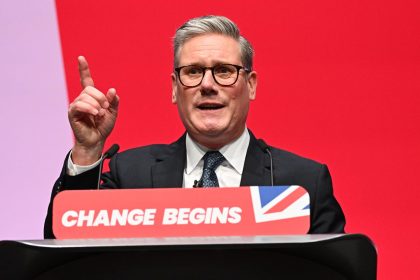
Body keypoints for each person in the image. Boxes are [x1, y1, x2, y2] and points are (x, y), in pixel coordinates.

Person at [44, 15, 345, 238]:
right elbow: (66, 250)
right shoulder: (130, 174)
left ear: (250, 85)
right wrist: (87, 151)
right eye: (193, 72)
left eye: (224, 71)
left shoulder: (303, 183)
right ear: (175, 89)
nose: (208, 85)